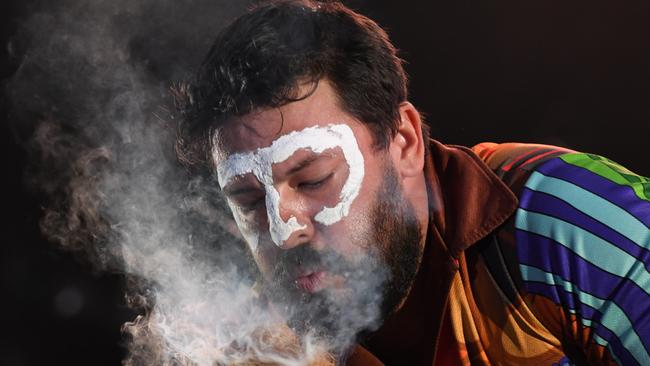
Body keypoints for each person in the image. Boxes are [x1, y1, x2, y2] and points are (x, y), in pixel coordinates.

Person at [175, 0, 650, 364]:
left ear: (403, 141)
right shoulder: (249, 341)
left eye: (315, 178)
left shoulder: (566, 217)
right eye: (249, 200)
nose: (284, 230)